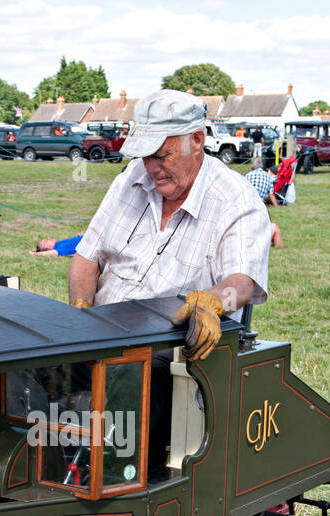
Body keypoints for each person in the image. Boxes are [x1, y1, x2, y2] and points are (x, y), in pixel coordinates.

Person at [67, 88, 270, 463]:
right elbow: (85, 257)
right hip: (100, 334)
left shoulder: (236, 200)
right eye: (144, 156)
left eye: (161, 155)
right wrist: (79, 311)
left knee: (125, 390)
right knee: (25, 372)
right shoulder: (131, 178)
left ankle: (103, 476)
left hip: (167, 353)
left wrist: (213, 301)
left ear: (197, 140)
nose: (150, 167)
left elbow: (243, 283)